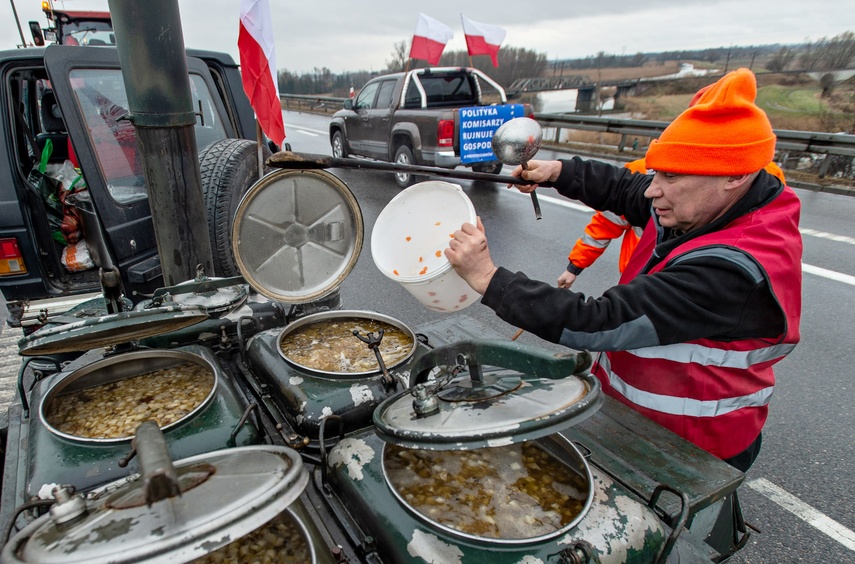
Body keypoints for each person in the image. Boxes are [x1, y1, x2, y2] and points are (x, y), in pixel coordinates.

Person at [445, 68, 802, 472]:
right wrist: (558, 172)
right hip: (645, 420)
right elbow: (626, 188)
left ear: (734, 176)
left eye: (670, 176)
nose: (653, 190)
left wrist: (489, 279)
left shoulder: (733, 268)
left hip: (692, 447)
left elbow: (598, 322)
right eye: (657, 172)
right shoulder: (708, 203)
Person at [557, 159, 646, 289]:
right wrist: (574, 267)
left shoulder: (642, 169)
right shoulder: (642, 170)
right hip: (636, 281)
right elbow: (606, 225)